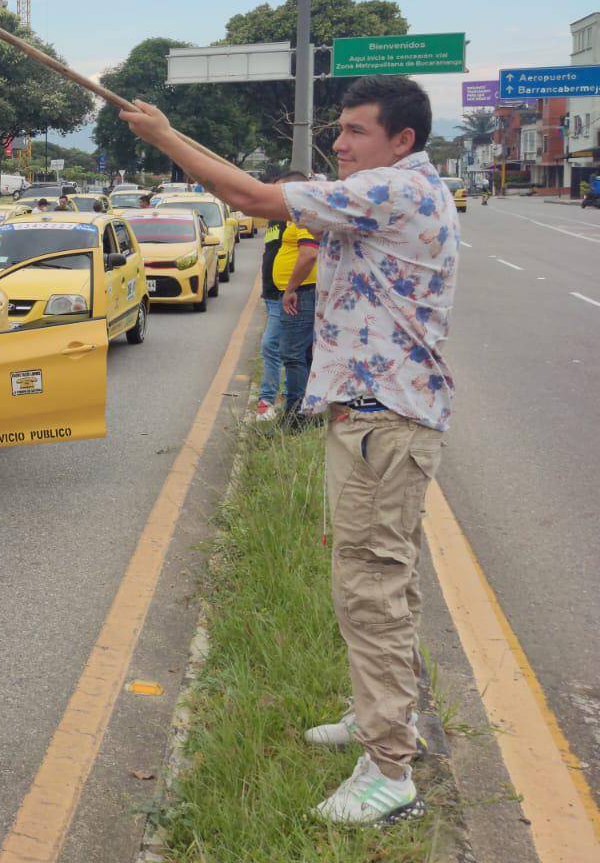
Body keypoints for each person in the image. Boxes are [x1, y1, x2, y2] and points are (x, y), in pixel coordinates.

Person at [121, 74, 455, 826]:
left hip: (383, 423)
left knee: (372, 585)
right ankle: (379, 718)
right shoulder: (392, 192)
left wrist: (165, 138)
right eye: (338, 129)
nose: (338, 142)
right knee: (382, 579)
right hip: (377, 422)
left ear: (402, 140)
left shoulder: (393, 192)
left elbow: (256, 200)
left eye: (357, 131)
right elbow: (270, 193)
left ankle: (390, 767)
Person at [252, 172, 304, 422]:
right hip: (272, 293)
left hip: (288, 294)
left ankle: (269, 400)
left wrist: (290, 288)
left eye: (280, 192)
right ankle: (281, 397)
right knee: (282, 348)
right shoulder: (275, 218)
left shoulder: (298, 219)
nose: (275, 197)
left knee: (273, 345)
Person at [276, 203, 320, 427]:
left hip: (300, 295)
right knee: (303, 354)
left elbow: (309, 253)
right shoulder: (293, 219)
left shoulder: (303, 217)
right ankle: (306, 413)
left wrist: (290, 289)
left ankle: (296, 416)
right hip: (300, 293)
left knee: (292, 354)